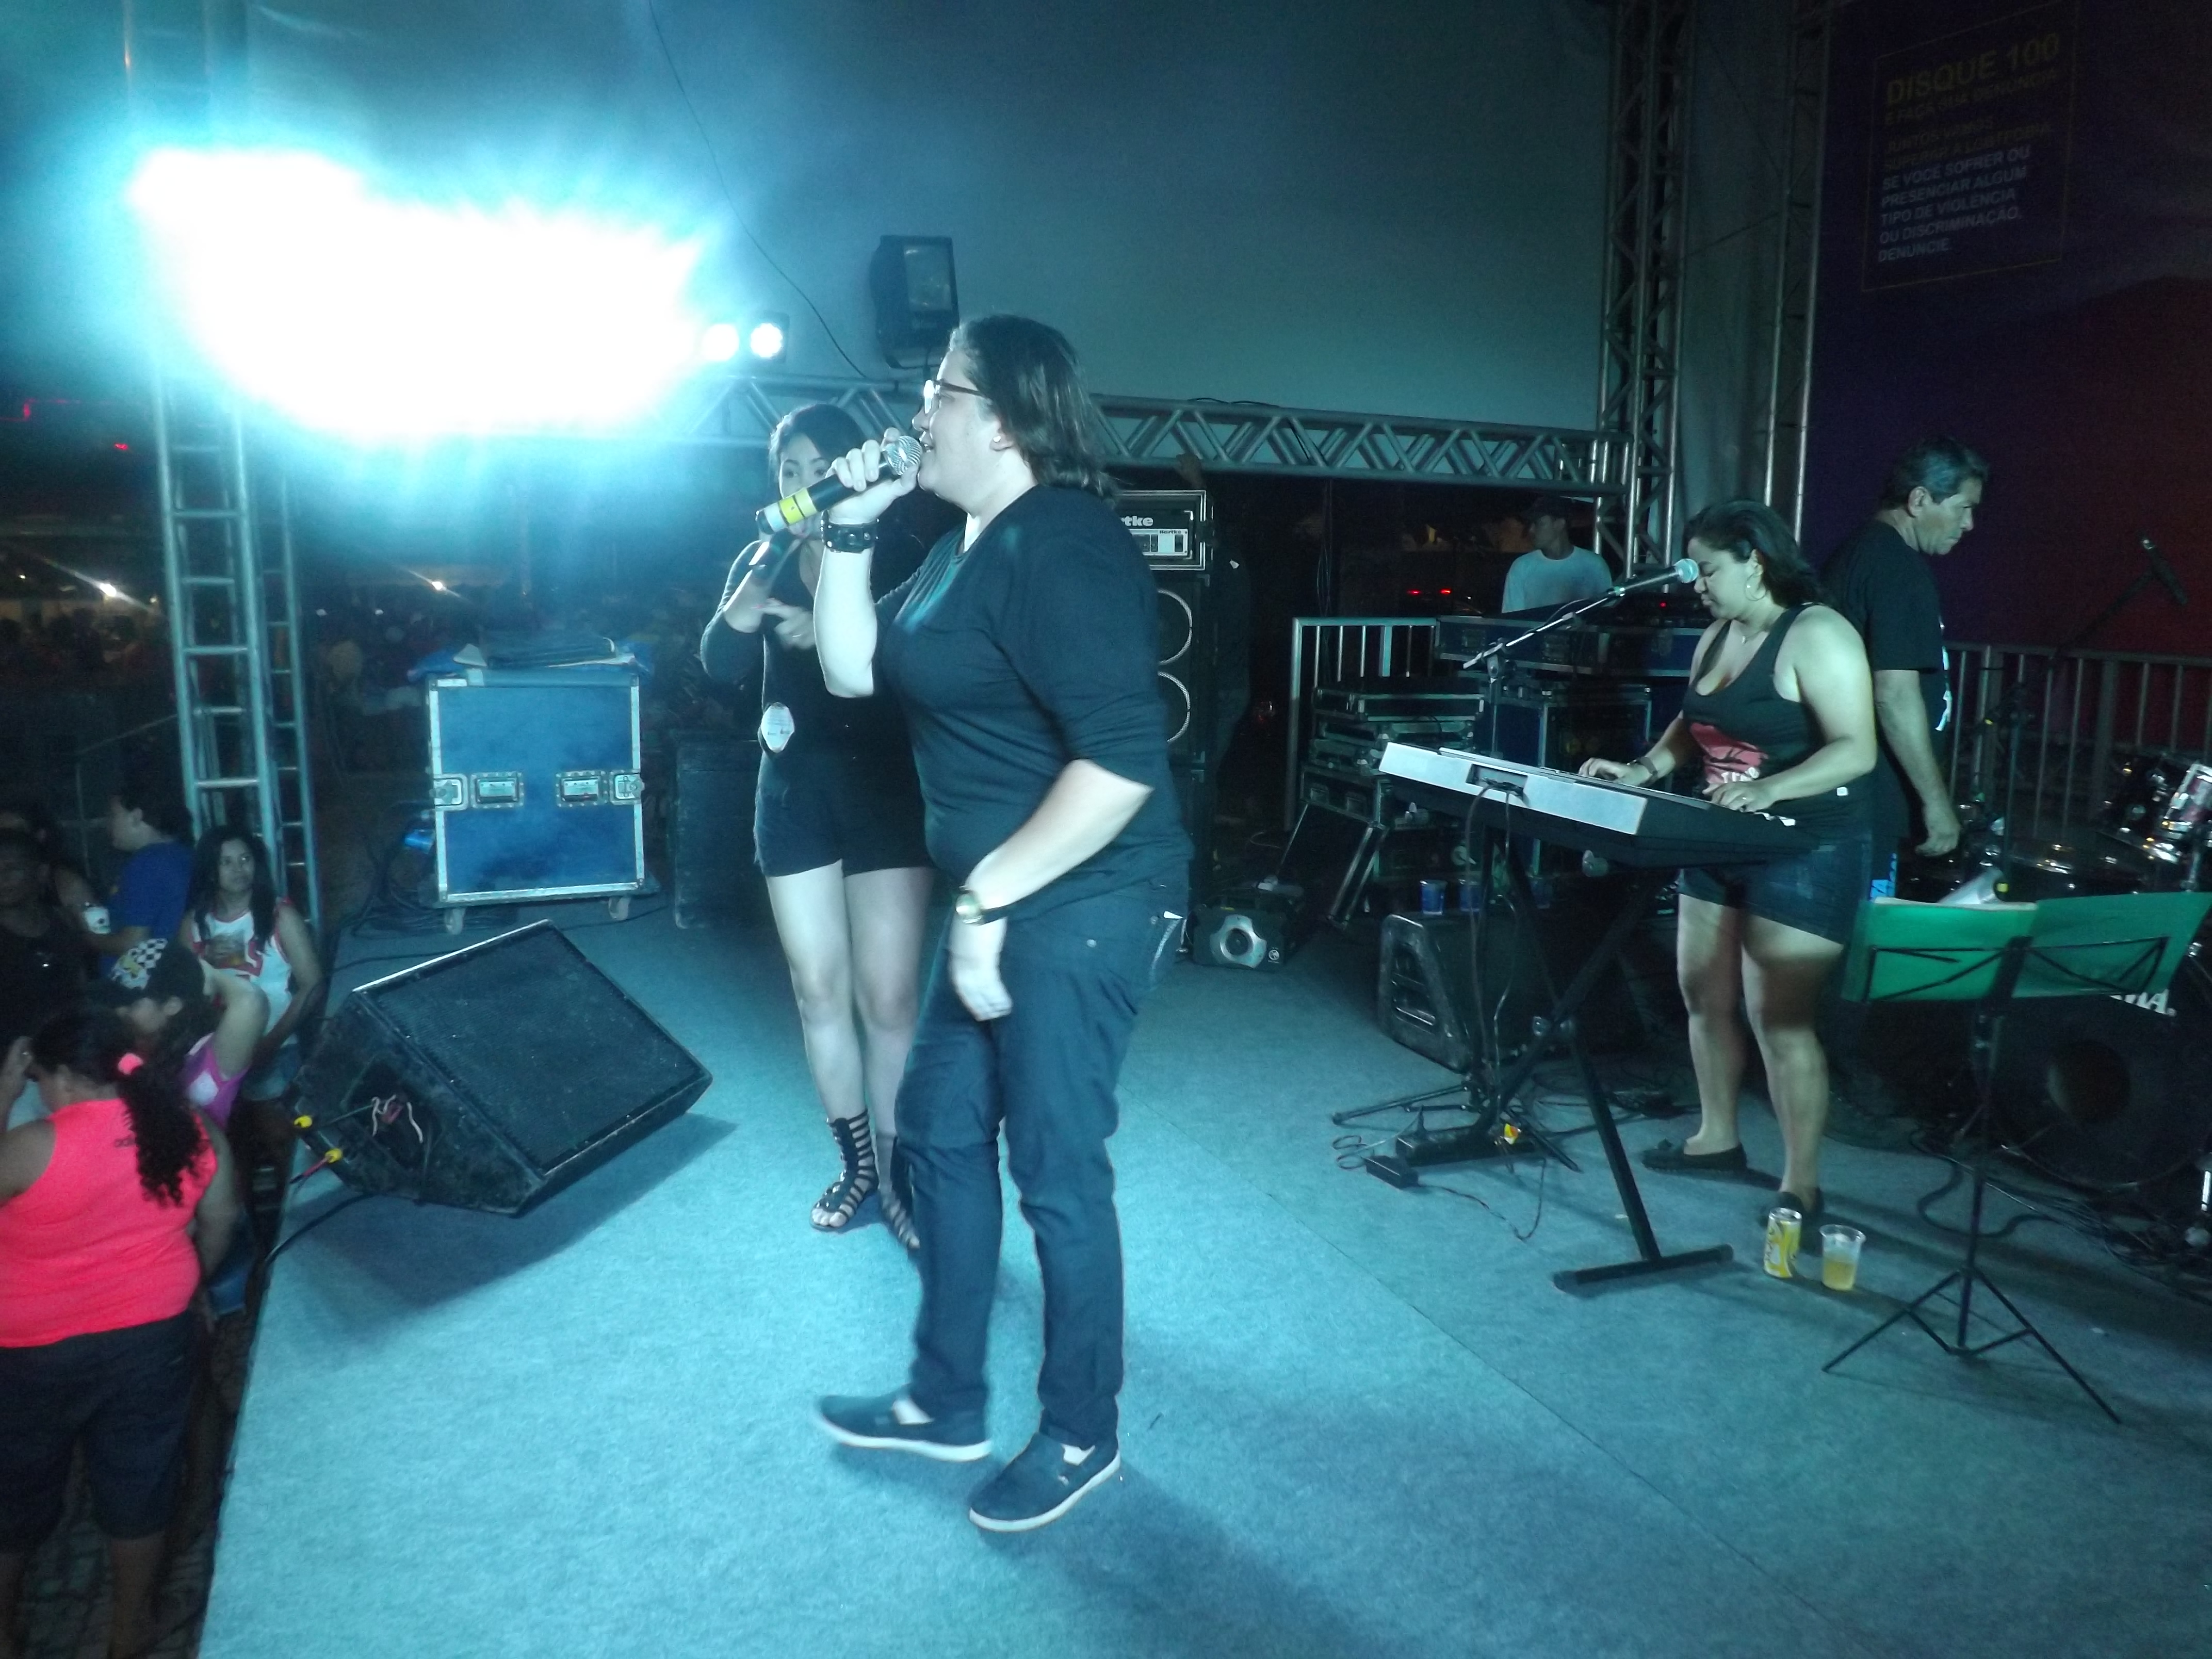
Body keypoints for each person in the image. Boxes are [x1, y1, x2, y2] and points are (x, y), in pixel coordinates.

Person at [807, 316, 1189, 1533]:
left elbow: (1121, 765)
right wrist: (847, 531)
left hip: (1086, 898)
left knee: (1056, 1170)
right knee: (936, 1130)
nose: (917, 410)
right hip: (1010, 898)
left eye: (940, 390)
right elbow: (850, 670)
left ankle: (1082, 1432)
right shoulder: (957, 547)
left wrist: (982, 900)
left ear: (1008, 418)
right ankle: (945, 1400)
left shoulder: (1062, 543)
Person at [1578, 500, 1876, 1237]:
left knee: (1780, 1018)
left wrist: (1771, 788)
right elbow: (1696, 720)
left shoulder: (1818, 633)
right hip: (1718, 837)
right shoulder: (1719, 632)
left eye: (1707, 570)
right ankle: (1716, 1137)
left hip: (1807, 845)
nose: (1696, 584)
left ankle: (1801, 1185)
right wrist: (1644, 769)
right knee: (1702, 993)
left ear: (1755, 560)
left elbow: (1856, 748)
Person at [699, 404, 934, 1249]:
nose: (802, 484)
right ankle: (858, 1165)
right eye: (788, 472)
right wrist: (764, 569)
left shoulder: (895, 547)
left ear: (849, 469)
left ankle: (903, 1175)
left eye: (815, 468)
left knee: (889, 998)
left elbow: (916, 667)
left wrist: (829, 628)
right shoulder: (760, 557)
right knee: (816, 990)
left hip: (883, 788)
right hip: (794, 790)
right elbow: (719, 663)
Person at [0, 1012, 240, 1659]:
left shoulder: (31, 1145)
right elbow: (220, 1219)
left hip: (30, 1352)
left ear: (60, 1077)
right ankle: (130, 1629)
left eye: (38, 1081)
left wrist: (2, 1098)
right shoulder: (188, 1127)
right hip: (153, 1338)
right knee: (139, 1481)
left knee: (15, 1489)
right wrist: (187, 1286)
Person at [1819, 437, 1986, 882]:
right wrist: (1936, 802)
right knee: (1863, 921)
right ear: (1919, 500)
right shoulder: (1897, 569)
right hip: (1869, 804)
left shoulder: (1860, 553)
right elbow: (1893, 695)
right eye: (1963, 508)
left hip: (1846, 798)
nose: (1968, 524)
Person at [179, 827, 324, 1110]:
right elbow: (182, 993)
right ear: (210, 870)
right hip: (216, 1053)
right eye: (226, 862)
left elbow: (313, 985)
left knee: (278, 1129)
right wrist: (204, 958)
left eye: (245, 859)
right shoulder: (194, 923)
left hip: (277, 1047)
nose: (239, 869)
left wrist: (271, 1043)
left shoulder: (280, 915)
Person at [90, 937, 267, 1134]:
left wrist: (210, 974)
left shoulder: (207, 1060)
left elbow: (252, 1001)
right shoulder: (119, 1044)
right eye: (115, 1000)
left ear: (172, 1006)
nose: (118, 1010)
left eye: (131, 1003)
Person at [0, 830, 86, 1068]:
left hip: (66, 1059)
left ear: (41, 873)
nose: (2, 878)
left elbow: (79, 988)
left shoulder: (62, 922)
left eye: (12, 869)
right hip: (12, 1069)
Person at [97, 763, 196, 965]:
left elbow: (132, 943)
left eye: (113, 815)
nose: (107, 824)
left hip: (141, 979)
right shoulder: (183, 854)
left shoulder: (147, 864)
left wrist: (84, 937)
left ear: (136, 817)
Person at [0, 794, 105, 944]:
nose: (8, 840)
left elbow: (99, 938)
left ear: (40, 836)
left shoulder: (66, 884)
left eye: (16, 833)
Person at [1501, 494, 1612, 613]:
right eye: (1531, 524)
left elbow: (1606, 613)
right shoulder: (1521, 567)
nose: (1531, 530)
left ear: (1560, 524)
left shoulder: (1594, 565)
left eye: (1539, 523)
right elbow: (1512, 619)